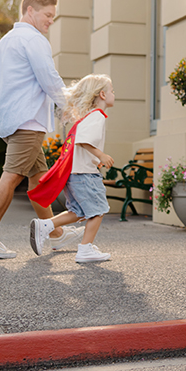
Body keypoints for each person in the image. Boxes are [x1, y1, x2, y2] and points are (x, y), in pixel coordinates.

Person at [0, 0, 82, 259]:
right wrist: (71, 108)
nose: (50, 21)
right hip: (28, 122)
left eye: (52, 17)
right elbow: (49, 78)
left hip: (12, 120)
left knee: (38, 183)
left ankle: (55, 235)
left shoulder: (4, 43)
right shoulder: (34, 40)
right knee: (11, 176)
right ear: (30, 10)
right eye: (47, 15)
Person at [29, 74, 116, 262]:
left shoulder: (87, 118)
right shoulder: (97, 116)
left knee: (78, 212)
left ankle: (45, 226)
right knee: (98, 210)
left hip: (75, 174)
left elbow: (79, 143)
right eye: (111, 91)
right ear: (102, 94)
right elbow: (83, 141)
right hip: (85, 175)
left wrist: (95, 158)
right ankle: (85, 249)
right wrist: (100, 155)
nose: (113, 94)